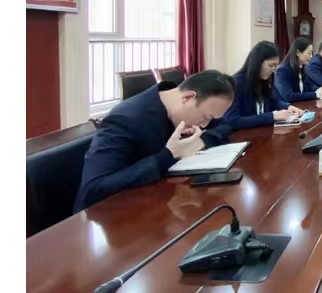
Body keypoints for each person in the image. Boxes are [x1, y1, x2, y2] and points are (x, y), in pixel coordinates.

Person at [74, 70, 235, 214]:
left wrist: (200, 141)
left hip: (154, 205)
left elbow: (226, 125)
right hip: (109, 219)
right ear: (188, 97)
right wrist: (168, 155)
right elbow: (92, 190)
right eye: (206, 118)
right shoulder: (125, 119)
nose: (204, 125)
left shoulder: (179, 106)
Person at [211, 42, 304, 137]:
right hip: (241, 137)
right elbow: (232, 120)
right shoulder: (237, 83)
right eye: (271, 65)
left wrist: (288, 107)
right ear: (257, 63)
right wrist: (271, 116)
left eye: (275, 66)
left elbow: (271, 101)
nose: (273, 70)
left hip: (261, 134)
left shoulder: (263, 80)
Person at [274, 38, 322, 105]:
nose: (311, 56)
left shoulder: (302, 68)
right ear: (298, 53)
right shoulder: (282, 71)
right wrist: (315, 94)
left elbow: (309, 85)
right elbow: (289, 96)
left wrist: (320, 90)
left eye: (311, 53)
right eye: (309, 53)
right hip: (287, 109)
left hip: (301, 106)